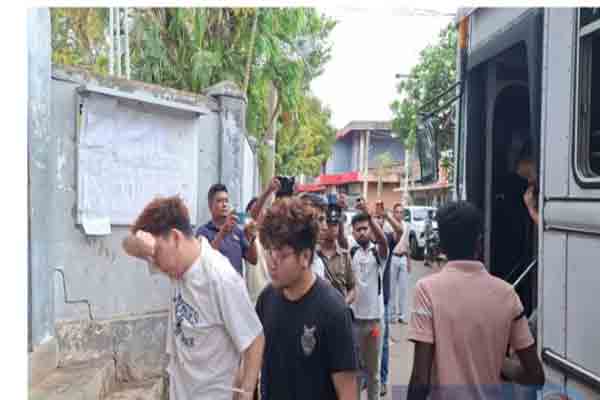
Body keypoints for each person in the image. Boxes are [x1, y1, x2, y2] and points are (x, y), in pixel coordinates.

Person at [121, 196, 265, 400]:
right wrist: (145, 244)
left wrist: (246, 391)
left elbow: (254, 339)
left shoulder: (220, 278)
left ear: (175, 238)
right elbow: (127, 244)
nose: (155, 265)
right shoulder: (176, 267)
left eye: (157, 254)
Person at [406, 201, 544, 400]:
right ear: (479, 243)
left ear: (441, 245)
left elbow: (420, 379)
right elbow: (535, 375)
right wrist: (500, 363)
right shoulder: (507, 294)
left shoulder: (427, 290)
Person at [256, 197, 359, 400]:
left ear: (305, 256)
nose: (272, 263)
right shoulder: (266, 300)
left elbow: (347, 391)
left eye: (282, 255)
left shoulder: (334, 310)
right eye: (268, 251)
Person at [349, 205, 389, 400]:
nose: (362, 232)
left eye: (365, 228)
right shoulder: (351, 253)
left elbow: (383, 241)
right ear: (353, 233)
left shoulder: (378, 253)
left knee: (373, 373)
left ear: (371, 229)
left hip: (374, 323)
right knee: (355, 372)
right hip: (355, 321)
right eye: (358, 229)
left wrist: (370, 217)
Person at [372, 200, 404, 397]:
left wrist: (386, 215)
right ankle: (368, 378)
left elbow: (400, 230)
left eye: (380, 218)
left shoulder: (388, 239)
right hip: (364, 305)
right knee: (363, 345)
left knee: (382, 343)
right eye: (375, 217)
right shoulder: (362, 241)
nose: (378, 221)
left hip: (382, 302)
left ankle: (383, 380)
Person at [196, 183, 258, 277]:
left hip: (236, 285)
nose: (224, 204)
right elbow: (204, 260)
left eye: (226, 201)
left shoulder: (237, 230)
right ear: (210, 206)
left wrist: (252, 238)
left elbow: (253, 260)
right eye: (219, 201)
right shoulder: (203, 232)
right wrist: (223, 232)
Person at [389, 202, 411, 325]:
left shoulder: (407, 226)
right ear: (393, 213)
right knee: (392, 288)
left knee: (403, 288)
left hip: (403, 258)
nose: (399, 214)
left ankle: (402, 315)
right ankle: (392, 315)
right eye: (397, 212)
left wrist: (408, 261)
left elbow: (407, 244)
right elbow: (393, 239)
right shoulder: (389, 226)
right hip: (393, 258)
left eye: (401, 212)